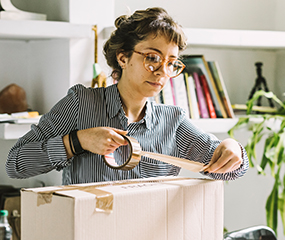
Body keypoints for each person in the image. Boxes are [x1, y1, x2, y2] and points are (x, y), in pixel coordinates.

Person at [6, 7, 248, 185]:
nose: (163, 72)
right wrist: (77, 142)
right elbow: (15, 164)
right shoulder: (81, 104)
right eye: (152, 58)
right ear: (123, 58)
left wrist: (232, 148)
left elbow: (229, 169)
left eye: (171, 63)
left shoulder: (173, 122)